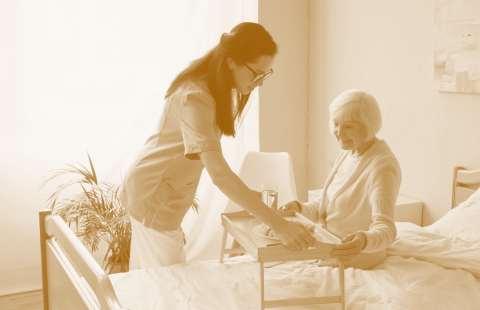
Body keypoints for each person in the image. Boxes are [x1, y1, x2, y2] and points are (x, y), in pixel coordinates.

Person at [120, 22, 316, 270]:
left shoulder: (210, 90)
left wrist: (255, 201)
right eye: (257, 73)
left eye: (266, 74)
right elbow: (219, 173)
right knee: (171, 285)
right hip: (153, 192)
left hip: (153, 189)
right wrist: (279, 224)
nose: (260, 82)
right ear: (232, 61)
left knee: (152, 280)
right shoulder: (196, 97)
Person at [280, 89, 402, 269]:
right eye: (336, 123)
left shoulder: (382, 167)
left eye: (349, 126)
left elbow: (387, 228)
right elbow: (331, 203)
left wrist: (363, 240)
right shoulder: (349, 153)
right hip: (327, 244)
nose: (339, 132)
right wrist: (301, 208)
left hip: (355, 257)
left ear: (369, 125)